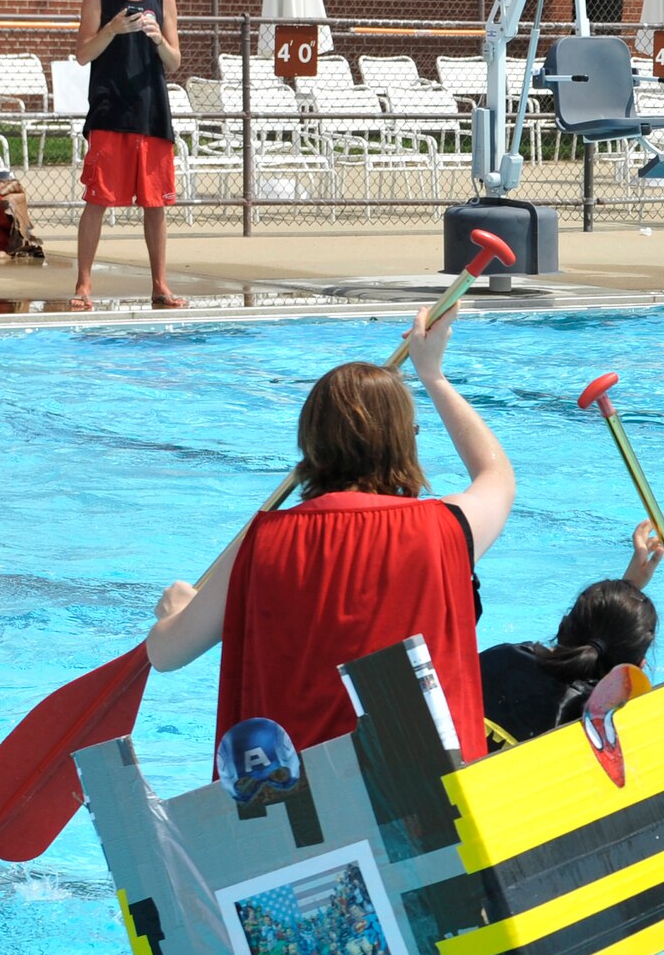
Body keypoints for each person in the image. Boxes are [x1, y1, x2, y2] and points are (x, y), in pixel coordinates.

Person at [144, 305, 515, 761]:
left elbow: (164, 655)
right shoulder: (446, 528)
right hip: (428, 799)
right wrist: (433, 376)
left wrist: (175, 613)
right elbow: (496, 476)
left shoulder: (261, 542)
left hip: (297, 804)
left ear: (310, 444)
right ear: (404, 442)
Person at [478, 520, 664, 750]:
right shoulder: (608, 733)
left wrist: (626, 591)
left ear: (563, 625)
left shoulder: (500, 659)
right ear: (638, 669)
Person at [70, 0, 182, 311]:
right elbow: (82, 54)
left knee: (155, 203)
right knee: (97, 199)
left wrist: (159, 38)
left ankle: (160, 285)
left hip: (152, 112)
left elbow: (174, 62)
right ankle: (84, 283)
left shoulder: (165, 0)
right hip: (110, 110)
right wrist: (112, 29)